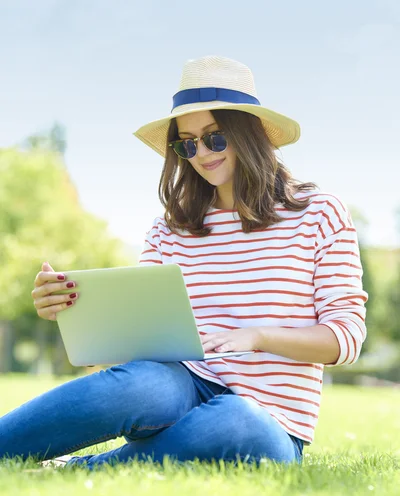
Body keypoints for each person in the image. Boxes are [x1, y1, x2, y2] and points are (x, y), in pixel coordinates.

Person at [0, 56, 368, 470]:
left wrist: (260, 336)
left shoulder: (320, 213)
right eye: (187, 143)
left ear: (251, 134)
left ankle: (85, 469)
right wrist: (76, 314)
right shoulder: (168, 230)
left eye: (214, 137)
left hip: (267, 420)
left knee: (237, 419)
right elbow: (136, 346)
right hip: (181, 387)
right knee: (143, 385)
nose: (201, 154)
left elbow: (346, 337)